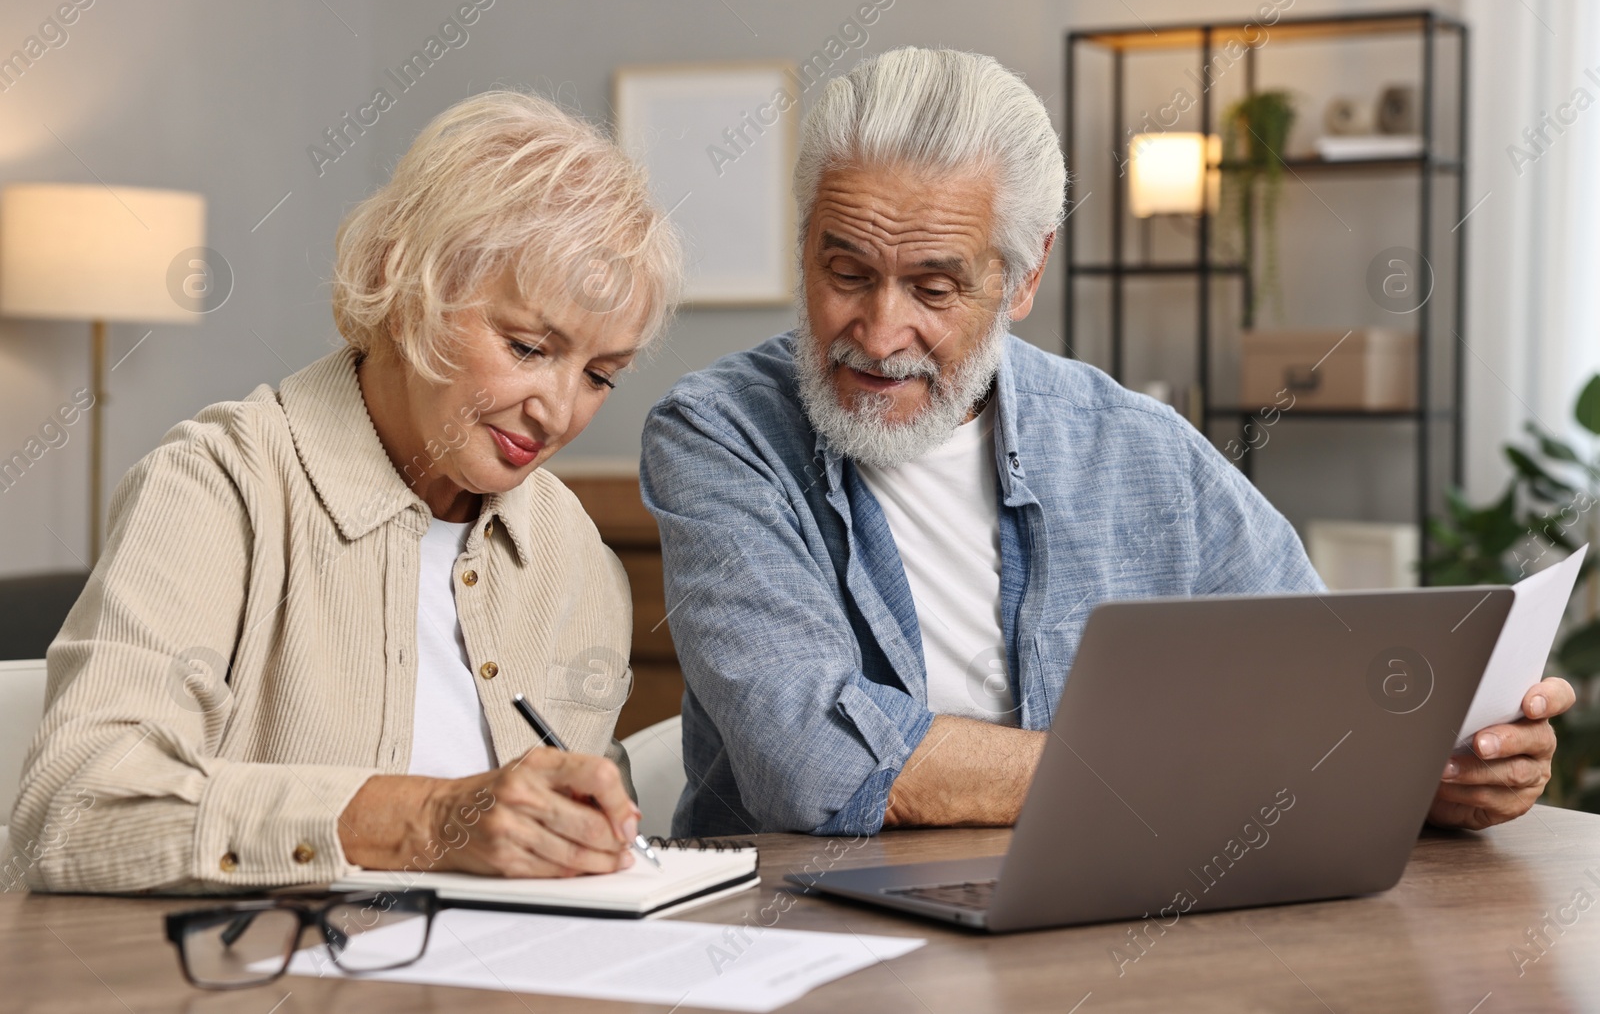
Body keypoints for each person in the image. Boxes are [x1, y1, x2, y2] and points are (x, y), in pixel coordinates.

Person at [640, 46, 1574, 838]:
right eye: (845, 272)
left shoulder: (1137, 446)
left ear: (1023, 275)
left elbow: (1319, 691)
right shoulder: (720, 435)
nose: (879, 334)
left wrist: (1436, 773)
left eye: (933, 289)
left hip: (1096, 906)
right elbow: (813, 761)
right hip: (799, 937)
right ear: (806, 243)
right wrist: (1196, 775)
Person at [6, 90, 682, 893]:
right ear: (401, 286)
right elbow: (74, 808)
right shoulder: (216, 488)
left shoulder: (573, 554)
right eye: (529, 345)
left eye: (601, 374)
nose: (560, 411)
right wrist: (425, 820)